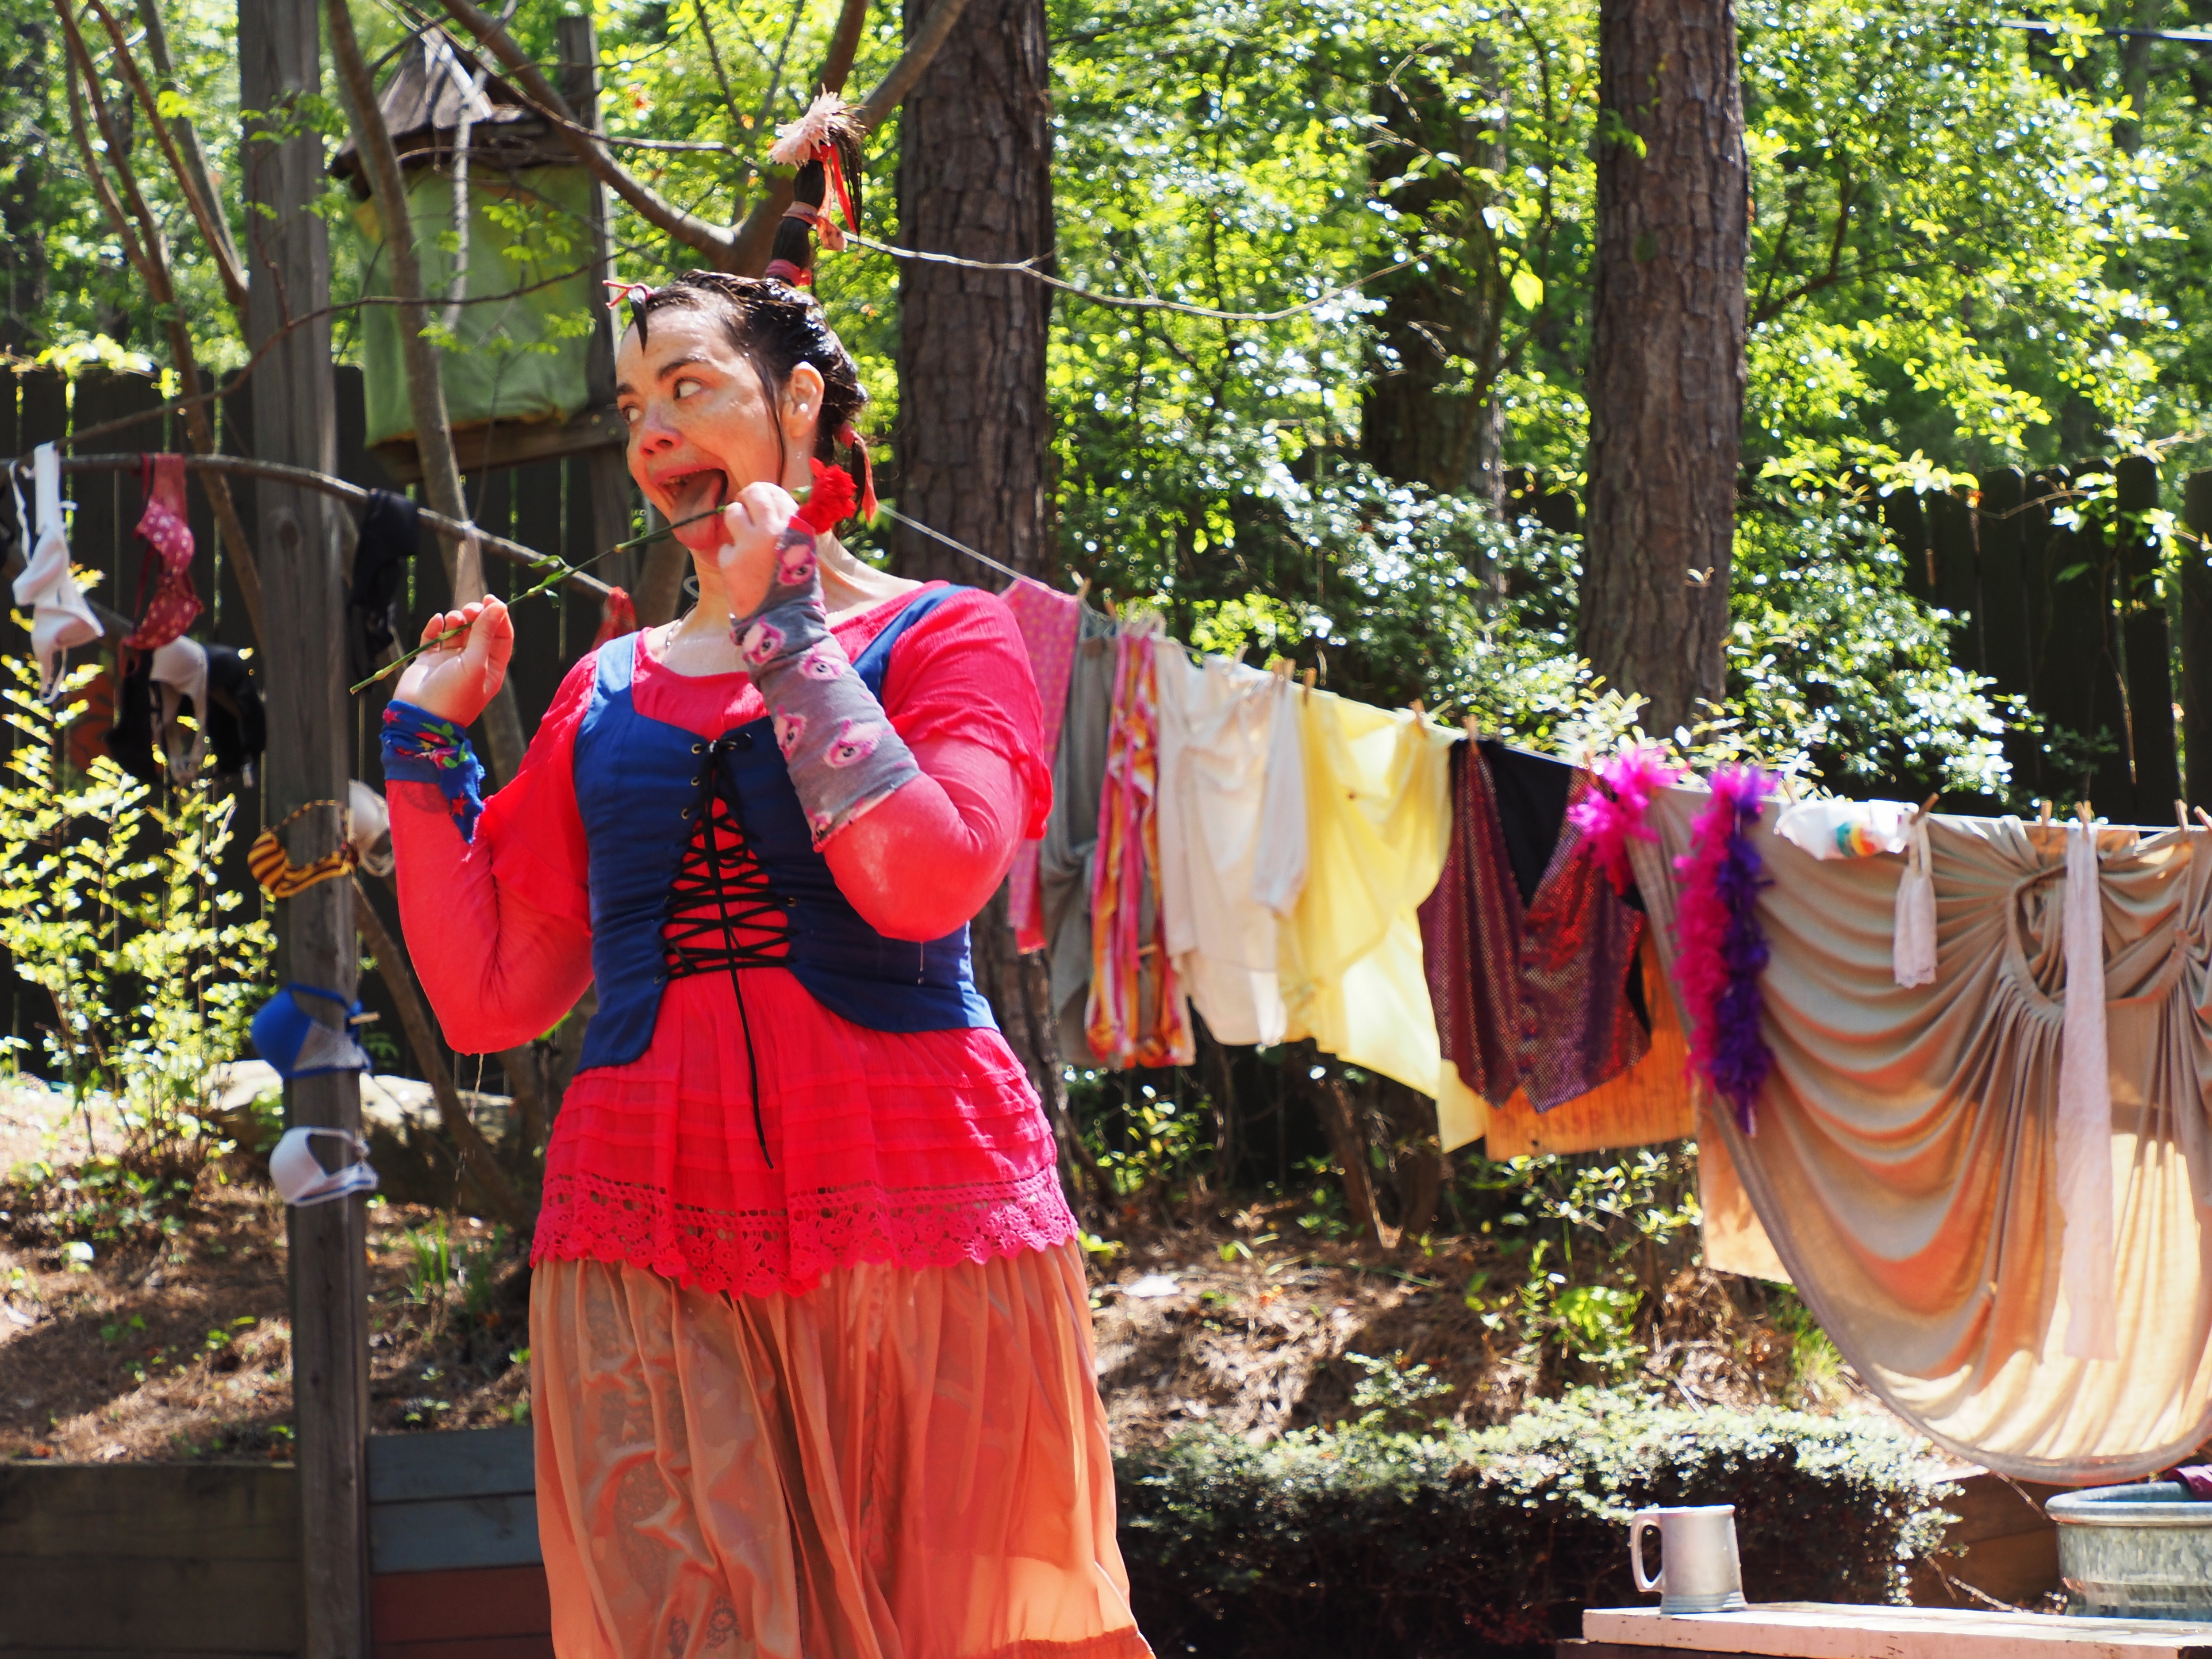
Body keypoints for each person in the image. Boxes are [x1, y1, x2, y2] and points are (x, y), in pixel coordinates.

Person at [378, 106, 1149, 1659]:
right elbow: (490, 999)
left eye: (690, 388)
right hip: (644, 1226)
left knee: (945, 1628)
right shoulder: (602, 693)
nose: (653, 432)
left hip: (915, 1210)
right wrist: (421, 751)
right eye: (633, 405)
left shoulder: (946, 636)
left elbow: (926, 883)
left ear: (796, 403)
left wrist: (785, 623)